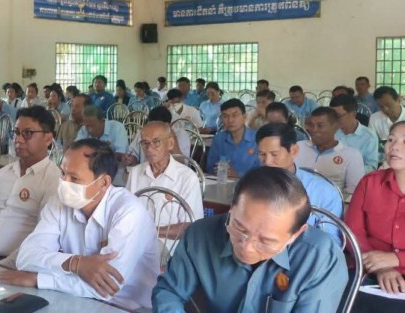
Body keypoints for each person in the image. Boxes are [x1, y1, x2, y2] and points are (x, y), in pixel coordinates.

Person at [152, 166, 348, 313]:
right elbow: (169, 292)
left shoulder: (321, 258)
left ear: (296, 234)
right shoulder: (201, 235)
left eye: (266, 241)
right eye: (240, 228)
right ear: (231, 208)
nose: (247, 247)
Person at [0, 139, 161, 311]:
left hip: (128, 307)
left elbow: (106, 288)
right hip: (72, 298)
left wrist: (38, 279)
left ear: (104, 183)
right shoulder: (59, 203)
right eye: (63, 173)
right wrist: (75, 263)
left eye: (74, 178)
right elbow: (26, 257)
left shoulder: (128, 211)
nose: (64, 183)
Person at [0, 107, 60, 261]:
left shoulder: (53, 180)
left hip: (16, 263)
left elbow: (41, 235)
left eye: (27, 133)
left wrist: (6, 266)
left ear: (48, 139)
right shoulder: (2, 174)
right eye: (16, 132)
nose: (18, 139)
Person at [345, 121, 405, 311]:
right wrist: (381, 267)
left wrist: (397, 260)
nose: (394, 146)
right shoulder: (369, 183)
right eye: (391, 140)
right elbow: (353, 232)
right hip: (369, 269)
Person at [125, 122, 203, 255]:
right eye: (145, 143)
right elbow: (125, 212)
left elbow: (190, 226)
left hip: (169, 247)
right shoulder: (135, 172)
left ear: (170, 144)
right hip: (134, 240)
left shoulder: (187, 177)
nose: (149, 149)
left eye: (156, 142)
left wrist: (150, 231)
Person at [256, 123, 343, 240]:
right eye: (262, 154)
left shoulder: (324, 192)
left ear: (294, 151)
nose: (267, 162)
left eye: (274, 154)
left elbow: (331, 242)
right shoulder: (252, 187)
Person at [296, 107, 365, 199]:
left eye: (320, 126)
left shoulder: (351, 155)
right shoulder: (298, 147)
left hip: (331, 204)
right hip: (296, 202)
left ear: (335, 127)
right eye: (311, 125)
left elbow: (354, 193)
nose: (313, 130)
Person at [205, 99, 259, 177]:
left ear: (245, 117)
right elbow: (209, 168)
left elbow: (265, 173)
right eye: (225, 116)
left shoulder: (258, 139)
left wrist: (237, 175)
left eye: (234, 115)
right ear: (221, 119)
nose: (230, 120)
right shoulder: (218, 139)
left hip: (252, 184)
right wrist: (217, 171)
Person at [124, 106, 191, 165]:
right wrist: (132, 158)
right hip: (145, 171)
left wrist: (171, 137)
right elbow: (133, 152)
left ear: (168, 125)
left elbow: (183, 163)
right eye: (151, 126)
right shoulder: (144, 132)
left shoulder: (181, 135)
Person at [330, 94, 379, 172]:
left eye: (338, 116)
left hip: (357, 177)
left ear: (353, 114)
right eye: (331, 116)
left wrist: (350, 172)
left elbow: (371, 167)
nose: (334, 119)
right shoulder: (330, 132)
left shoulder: (369, 136)